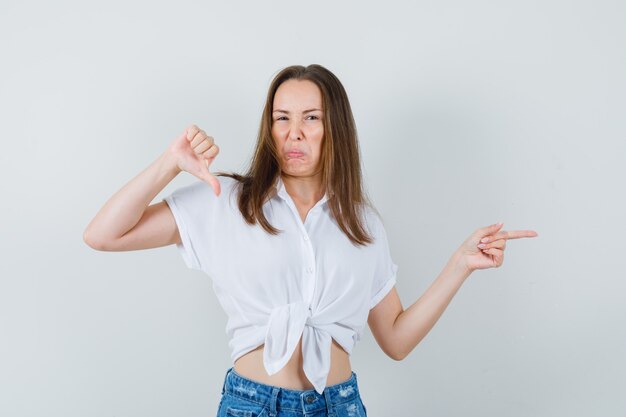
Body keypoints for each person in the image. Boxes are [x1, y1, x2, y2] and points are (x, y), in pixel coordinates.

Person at [83, 64, 538, 417]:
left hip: (339, 405)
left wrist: (459, 263)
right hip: (252, 404)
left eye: (311, 118)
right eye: (282, 117)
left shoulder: (362, 224)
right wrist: (169, 164)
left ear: (333, 127)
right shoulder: (227, 201)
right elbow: (103, 235)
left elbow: (396, 340)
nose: (294, 132)